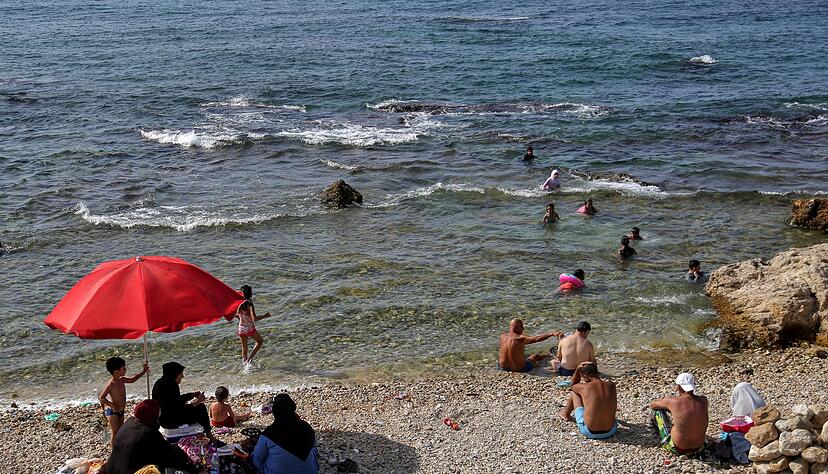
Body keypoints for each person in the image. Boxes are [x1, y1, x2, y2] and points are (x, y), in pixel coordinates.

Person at [105, 399, 198, 474]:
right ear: (151, 415)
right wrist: (190, 465)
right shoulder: (148, 433)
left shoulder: (129, 422)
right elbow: (169, 452)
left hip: (111, 468)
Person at [252, 393, 320, 474]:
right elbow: (313, 445)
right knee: (313, 450)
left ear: (274, 413)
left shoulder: (269, 433)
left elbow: (256, 459)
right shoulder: (306, 427)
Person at [151, 361, 215, 441]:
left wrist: (191, 395)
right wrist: (197, 402)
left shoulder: (160, 383)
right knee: (201, 408)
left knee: (196, 407)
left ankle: (203, 434)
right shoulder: (171, 386)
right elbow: (178, 408)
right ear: (174, 374)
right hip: (170, 420)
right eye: (180, 374)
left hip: (162, 418)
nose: (182, 376)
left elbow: (175, 400)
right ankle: (209, 435)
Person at [649, 373, 709, 456]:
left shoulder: (673, 401)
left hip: (677, 449)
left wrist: (668, 407)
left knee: (657, 411)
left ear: (679, 387)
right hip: (699, 448)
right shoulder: (703, 400)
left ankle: (659, 436)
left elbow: (652, 405)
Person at [558, 362, 618, 439]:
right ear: (597, 372)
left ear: (585, 376)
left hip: (590, 432)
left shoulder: (585, 387)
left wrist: (577, 370)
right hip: (611, 431)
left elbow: (573, 386)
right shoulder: (611, 385)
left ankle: (565, 414)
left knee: (574, 393)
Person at [99, 356, 149, 446]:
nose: (126, 369)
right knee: (115, 432)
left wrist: (144, 371)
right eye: (124, 368)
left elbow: (133, 379)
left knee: (120, 431)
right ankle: (114, 451)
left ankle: (119, 447)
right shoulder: (111, 384)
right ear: (116, 372)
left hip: (121, 410)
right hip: (112, 412)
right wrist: (112, 406)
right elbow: (101, 398)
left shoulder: (121, 380)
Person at [498, 318, 563, 373]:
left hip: (502, 368)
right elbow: (536, 339)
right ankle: (549, 355)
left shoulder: (502, 336)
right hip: (520, 369)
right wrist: (551, 334)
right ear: (516, 327)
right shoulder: (520, 338)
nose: (523, 328)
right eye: (522, 326)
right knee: (535, 356)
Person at [238, 285, 272, 363]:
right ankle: (249, 360)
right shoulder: (250, 304)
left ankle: (244, 365)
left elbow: (236, 315)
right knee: (260, 341)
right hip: (249, 328)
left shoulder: (239, 304)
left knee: (244, 348)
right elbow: (254, 319)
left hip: (241, 328)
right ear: (250, 293)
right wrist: (265, 316)